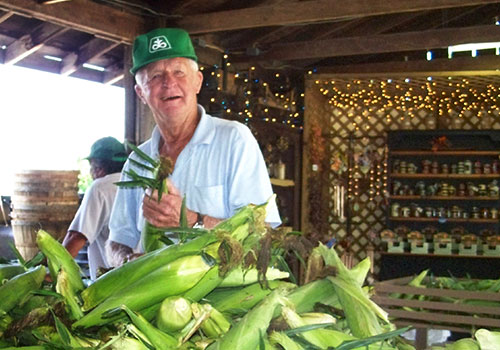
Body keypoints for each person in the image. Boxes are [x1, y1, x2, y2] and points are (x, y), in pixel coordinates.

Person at [107, 28, 281, 266]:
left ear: (197, 82)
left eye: (179, 72)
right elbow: (117, 240)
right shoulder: (137, 162)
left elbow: (263, 232)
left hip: (223, 298)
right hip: (156, 300)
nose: (169, 83)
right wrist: (127, 260)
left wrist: (190, 220)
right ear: (140, 93)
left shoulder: (234, 140)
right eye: (156, 76)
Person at [63, 137, 127, 280]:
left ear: (98, 168)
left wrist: (53, 272)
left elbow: (76, 237)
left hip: (109, 283)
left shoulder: (100, 188)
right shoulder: (137, 184)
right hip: (136, 280)